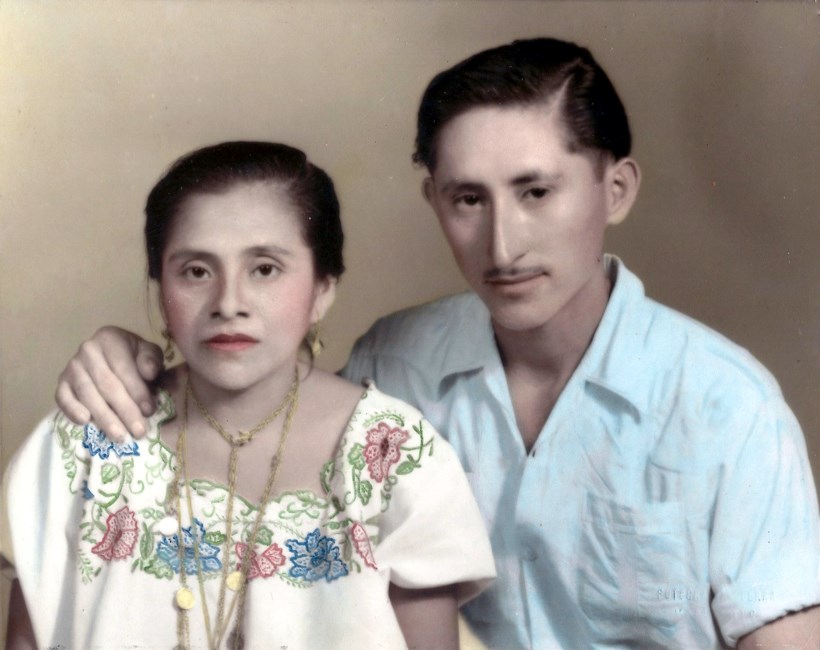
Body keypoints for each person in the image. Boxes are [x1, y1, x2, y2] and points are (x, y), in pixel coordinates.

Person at [49, 38, 819, 648]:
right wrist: (135, 358)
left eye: (536, 191)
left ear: (615, 190)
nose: (503, 243)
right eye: (467, 199)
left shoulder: (728, 406)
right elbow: (252, 429)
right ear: (434, 200)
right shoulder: (395, 365)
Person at [2, 141, 495, 649]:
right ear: (161, 288)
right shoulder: (85, 443)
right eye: (196, 271)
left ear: (322, 288)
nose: (229, 303)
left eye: (264, 269)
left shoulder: (397, 455)